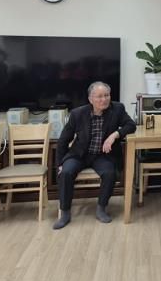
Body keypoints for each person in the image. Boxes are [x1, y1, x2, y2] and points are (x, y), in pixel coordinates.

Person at [53, 81, 135, 229]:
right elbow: (63, 141)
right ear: (90, 99)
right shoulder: (78, 114)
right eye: (99, 96)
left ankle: (101, 208)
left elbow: (131, 125)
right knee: (65, 172)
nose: (104, 99)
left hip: (103, 155)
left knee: (109, 173)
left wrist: (115, 135)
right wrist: (59, 164)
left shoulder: (117, 109)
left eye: (107, 95)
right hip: (79, 154)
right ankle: (65, 212)